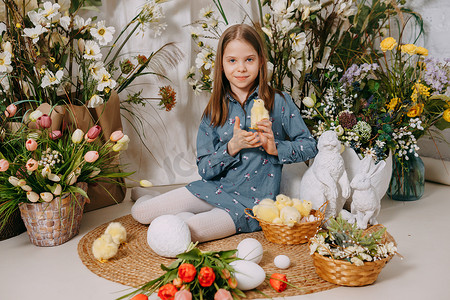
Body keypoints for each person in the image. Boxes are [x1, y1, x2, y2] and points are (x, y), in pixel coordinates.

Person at [131, 24, 317, 243]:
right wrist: (231, 148)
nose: (241, 68)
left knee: (185, 231)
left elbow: (310, 146)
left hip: (249, 204)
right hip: (212, 189)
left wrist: (275, 147)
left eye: (249, 60)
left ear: (260, 61)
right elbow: (204, 169)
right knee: (140, 214)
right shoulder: (214, 110)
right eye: (232, 61)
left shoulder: (279, 102)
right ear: (221, 64)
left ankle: (173, 210)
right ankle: (149, 198)